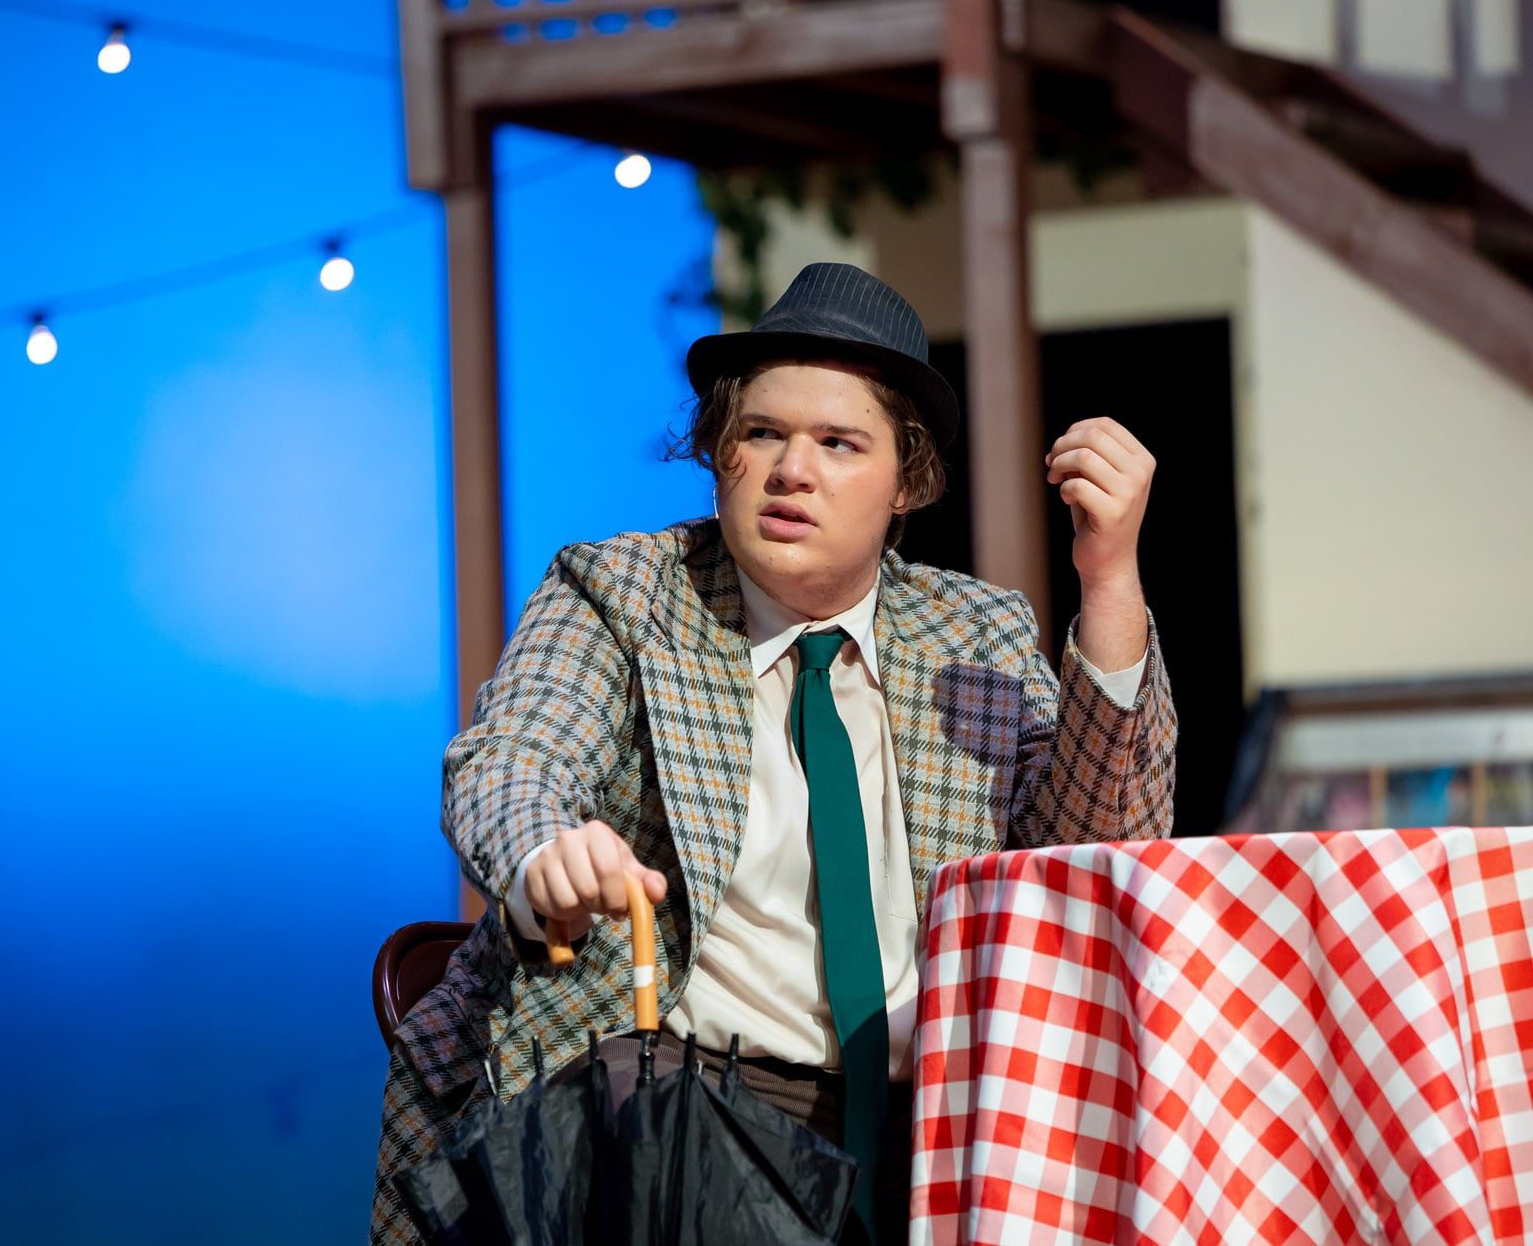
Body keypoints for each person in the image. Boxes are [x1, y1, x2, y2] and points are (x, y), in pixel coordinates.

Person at [370, 262, 1177, 1244]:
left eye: (838, 444)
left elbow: (1096, 861)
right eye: (761, 434)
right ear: (717, 452)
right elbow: (507, 759)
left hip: (936, 1128)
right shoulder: (627, 594)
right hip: (688, 1128)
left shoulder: (975, 631)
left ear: (904, 480)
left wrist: (1107, 578)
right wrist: (546, 853)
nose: (791, 470)